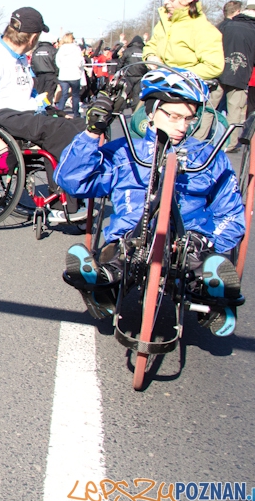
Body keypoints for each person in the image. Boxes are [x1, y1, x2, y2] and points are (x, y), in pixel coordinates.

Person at [56, 68, 244, 336]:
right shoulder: (125, 152)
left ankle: (212, 291)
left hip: (188, 244)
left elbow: (232, 214)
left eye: (189, 119)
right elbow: (71, 180)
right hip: (132, 240)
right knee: (121, 253)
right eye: (174, 116)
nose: (182, 126)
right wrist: (91, 133)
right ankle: (101, 280)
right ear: (153, 111)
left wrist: (214, 242)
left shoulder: (208, 156)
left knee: (199, 255)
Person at [0, 7, 86, 222]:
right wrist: (1, 149)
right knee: (60, 131)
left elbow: (29, 96)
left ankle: (79, 189)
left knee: (79, 125)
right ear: (31, 38)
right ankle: (61, 203)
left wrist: (54, 110)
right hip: (5, 117)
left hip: (27, 113)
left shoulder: (20, 58)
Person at [143, 0, 224, 82]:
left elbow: (213, 66)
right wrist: (150, 56)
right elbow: (151, 45)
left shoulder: (203, 29)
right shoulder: (164, 22)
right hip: (158, 85)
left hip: (185, 91)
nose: (166, 2)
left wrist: (179, 74)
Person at [214, 1, 255, 151]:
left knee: (209, 107)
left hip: (218, 71)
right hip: (241, 75)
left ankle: (201, 138)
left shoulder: (225, 26)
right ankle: (229, 144)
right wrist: (249, 60)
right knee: (235, 111)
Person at [55, 32, 84, 117]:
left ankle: (60, 111)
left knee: (64, 94)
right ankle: (76, 113)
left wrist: (62, 68)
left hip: (63, 75)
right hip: (74, 74)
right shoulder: (76, 48)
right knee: (75, 95)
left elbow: (58, 62)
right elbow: (80, 61)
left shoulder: (61, 49)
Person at [118, 34, 147, 104]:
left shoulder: (128, 51)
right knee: (137, 95)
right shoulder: (144, 51)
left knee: (124, 94)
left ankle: (119, 110)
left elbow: (121, 63)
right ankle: (134, 111)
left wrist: (118, 72)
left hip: (128, 76)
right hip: (140, 76)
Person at [30, 36, 58, 103]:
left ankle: (39, 108)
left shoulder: (36, 51)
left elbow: (33, 62)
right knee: (49, 93)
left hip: (39, 75)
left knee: (39, 93)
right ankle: (47, 109)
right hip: (51, 74)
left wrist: (35, 72)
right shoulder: (53, 50)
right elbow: (56, 62)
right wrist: (56, 73)